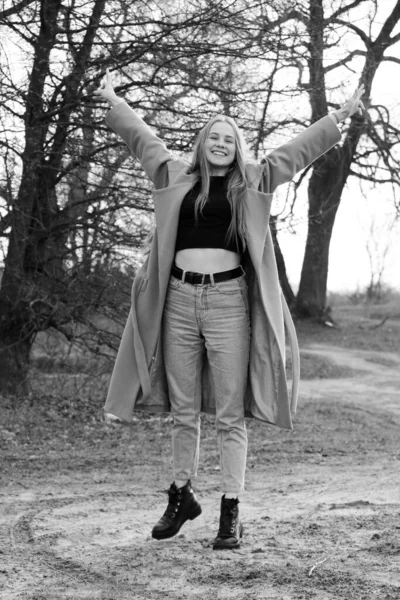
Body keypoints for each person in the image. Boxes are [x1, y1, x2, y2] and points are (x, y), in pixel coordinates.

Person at [94, 70, 365, 550]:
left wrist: (338, 117)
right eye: (213, 137)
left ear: (237, 147)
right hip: (177, 298)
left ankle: (231, 510)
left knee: (228, 412)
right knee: (182, 410)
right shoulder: (175, 173)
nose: (220, 144)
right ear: (202, 143)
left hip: (227, 301)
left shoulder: (253, 179)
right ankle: (181, 496)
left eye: (228, 139)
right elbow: (143, 138)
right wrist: (114, 102)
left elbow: (296, 151)